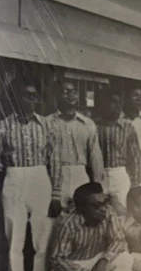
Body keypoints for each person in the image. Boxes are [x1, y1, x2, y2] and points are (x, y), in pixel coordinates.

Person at [0, 79, 61, 271]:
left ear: (37, 100)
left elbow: (55, 160)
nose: (29, 100)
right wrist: (13, 172)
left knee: (42, 244)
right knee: (14, 244)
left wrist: (56, 193)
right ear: (14, 97)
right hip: (14, 178)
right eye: (24, 95)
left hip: (41, 179)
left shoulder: (46, 127)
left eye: (33, 96)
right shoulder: (2, 127)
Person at [49, 183, 134, 271]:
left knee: (125, 258)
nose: (102, 208)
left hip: (98, 257)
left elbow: (119, 240)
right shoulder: (68, 224)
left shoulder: (108, 211)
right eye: (96, 205)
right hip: (75, 263)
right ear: (82, 208)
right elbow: (57, 260)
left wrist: (104, 260)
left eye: (104, 202)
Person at [44, 80, 104, 209]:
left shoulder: (88, 124)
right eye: (65, 92)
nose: (71, 95)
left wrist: (97, 185)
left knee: (81, 216)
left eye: (74, 92)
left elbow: (95, 156)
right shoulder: (47, 123)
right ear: (57, 95)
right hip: (55, 176)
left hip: (80, 174)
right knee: (54, 219)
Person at [95, 88, 141, 214]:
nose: (117, 107)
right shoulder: (93, 126)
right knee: (100, 212)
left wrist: (135, 183)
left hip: (120, 173)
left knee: (122, 212)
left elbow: (135, 158)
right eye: (113, 102)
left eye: (119, 103)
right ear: (104, 104)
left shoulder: (127, 127)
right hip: (99, 175)